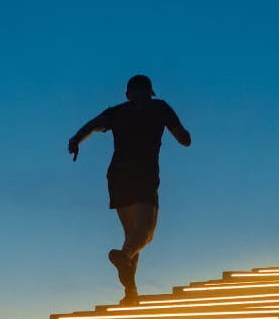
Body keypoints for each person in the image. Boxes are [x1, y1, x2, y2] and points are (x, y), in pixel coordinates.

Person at [68, 74, 191, 305]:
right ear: (149, 91)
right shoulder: (160, 107)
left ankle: (130, 292)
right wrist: (184, 137)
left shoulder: (117, 112)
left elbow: (93, 125)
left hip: (117, 176)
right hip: (143, 175)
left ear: (128, 94)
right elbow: (183, 138)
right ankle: (122, 257)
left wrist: (76, 140)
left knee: (132, 235)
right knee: (145, 232)